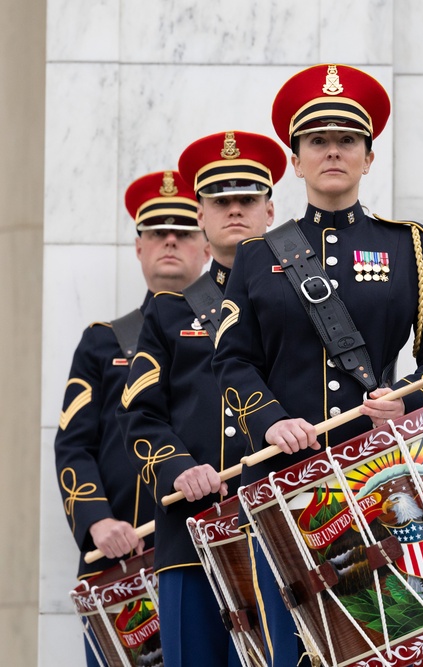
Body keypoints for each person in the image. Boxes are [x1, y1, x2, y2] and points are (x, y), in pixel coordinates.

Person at [211, 63, 423, 665]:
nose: (333, 151)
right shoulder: (255, 258)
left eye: (347, 140)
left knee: (391, 639)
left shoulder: (407, 243)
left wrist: (407, 402)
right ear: (296, 161)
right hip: (284, 482)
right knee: (293, 650)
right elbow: (232, 359)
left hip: (380, 476)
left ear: (368, 157)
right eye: (317, 141)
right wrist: (271, 420)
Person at [116, 131, 285, 667]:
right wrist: (179, 468)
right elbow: (140, 416)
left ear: (270, 211)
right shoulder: (168, 313)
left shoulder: (305, 303)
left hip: (287, 531)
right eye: (220, 201)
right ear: (202, 217)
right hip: (192, 538)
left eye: (247, 200)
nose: (234, 210)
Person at [54, 169, 208, 667]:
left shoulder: (236, 331)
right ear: (138, 248)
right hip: (123, 559)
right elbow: (73, 445)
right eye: (156, 232)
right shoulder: (103, 340)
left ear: (205, 243)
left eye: (184, 232)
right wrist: (97, 523)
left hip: (208, 545)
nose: (170, 241)